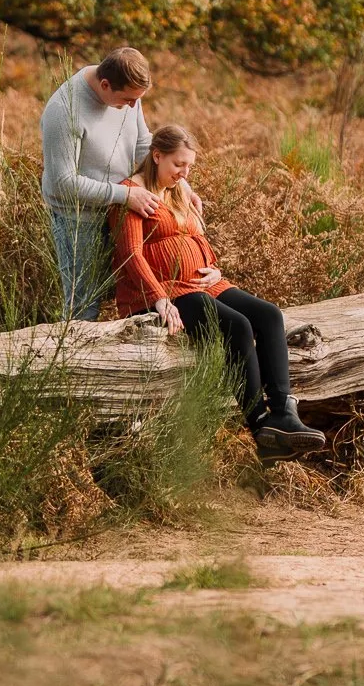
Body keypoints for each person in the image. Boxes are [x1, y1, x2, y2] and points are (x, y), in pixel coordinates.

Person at [111, 123, 325, 458]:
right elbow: (130, 254)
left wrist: (213, 265)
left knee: (269, 316)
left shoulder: (178, 190)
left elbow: (195, 235)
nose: (184, 173)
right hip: (164, 291)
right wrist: (159, 299)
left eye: (190, 166)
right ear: (157, 156)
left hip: (202, 284)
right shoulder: (133, 194)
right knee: (237, 325)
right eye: (178, 165)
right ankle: (261, 428)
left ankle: (284, 412)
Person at [40, 47, 159, 320]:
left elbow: (143, 143)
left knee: (136, 292)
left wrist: (179, 186)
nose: (132, 106)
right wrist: (125, 195)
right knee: (83, 305)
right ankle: (72, 360)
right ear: (105, 85)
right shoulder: (65, 110)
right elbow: (63, 184)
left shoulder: (128, 91)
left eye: (136, 101)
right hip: (78, 220)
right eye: (127, 100)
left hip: (120, 209)